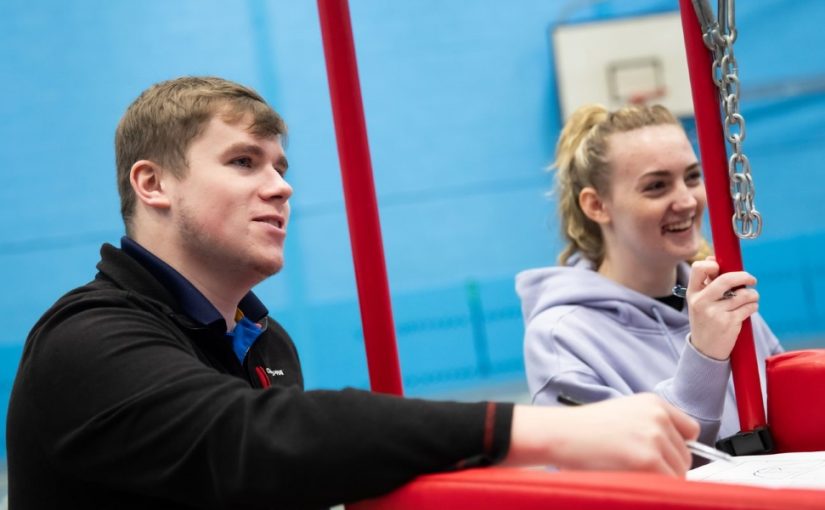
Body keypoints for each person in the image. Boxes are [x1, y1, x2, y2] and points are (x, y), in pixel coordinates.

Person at [7, 78, 700, 509]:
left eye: (280, 166)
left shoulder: (264, 341)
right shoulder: (87, 341)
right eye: (244, 163)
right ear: (152, 184)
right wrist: (548, 431)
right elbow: (253, 442)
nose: (280, 186)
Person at [517, 103, 783, 448]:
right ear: (596, 205)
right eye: (656, 186)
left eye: (692, 176)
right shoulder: (562, 338)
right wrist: (705, 357)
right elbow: (623, 472)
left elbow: (790, 409)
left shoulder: (719, 299)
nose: (687, 201)